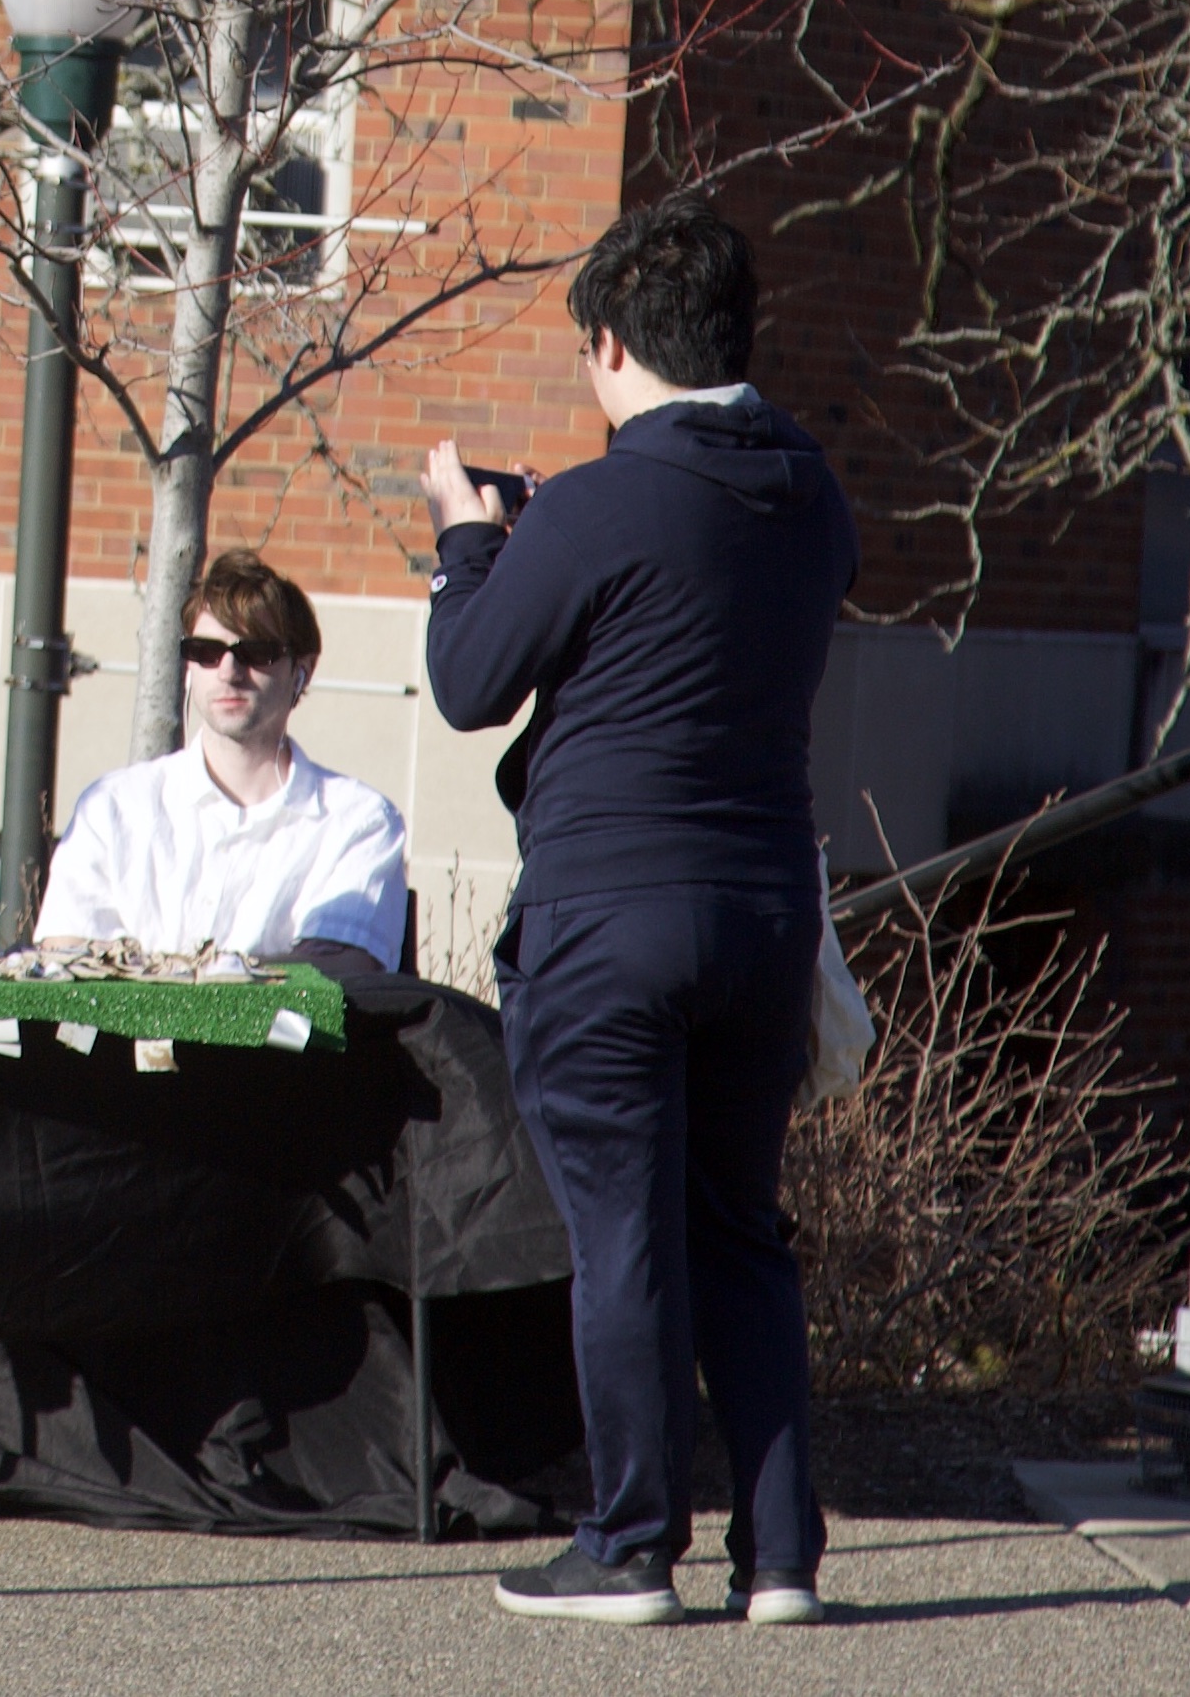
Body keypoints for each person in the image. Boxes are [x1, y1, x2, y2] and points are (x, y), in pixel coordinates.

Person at [423, 201, 852, 1628]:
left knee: (623, 1238)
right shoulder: (811, 495)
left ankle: (624, 1549)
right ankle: (780, 1559)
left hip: (609, 916)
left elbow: (474, 680)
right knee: (740, 1229)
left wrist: (469, 544)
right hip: (761, 918)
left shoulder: (603, 503)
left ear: (611, 342)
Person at [38, 548, 407, 977]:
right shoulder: (113, 807)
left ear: (301, 670)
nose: (229, 670)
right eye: (206, 650)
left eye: (257, 652)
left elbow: (336, 978)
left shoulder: (359, 822)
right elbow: (65, 965)